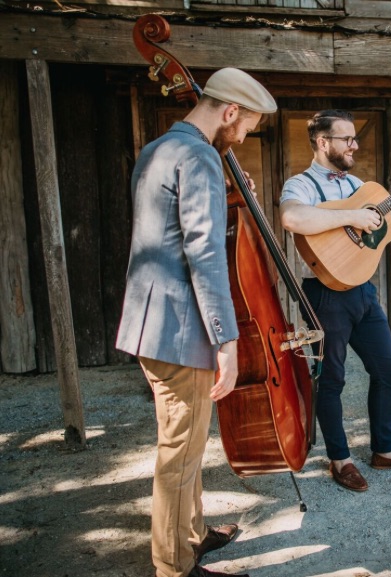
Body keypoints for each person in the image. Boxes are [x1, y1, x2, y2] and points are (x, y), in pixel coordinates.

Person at [116, 68, 277, 577]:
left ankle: (192, 534)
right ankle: (174, 567)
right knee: (178, 458)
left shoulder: (159, 149)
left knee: (183, 445)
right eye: (247, 125)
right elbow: (204, 256)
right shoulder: (202, 155)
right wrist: (227, 342)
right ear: (229, 112)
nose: (244, 136)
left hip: (150, 321)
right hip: (180, 331)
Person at [279, 109, 391, 492]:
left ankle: (384, 450)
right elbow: (293, 219)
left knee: (387, 368)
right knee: (331, 378)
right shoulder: (301, 184)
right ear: (323, 143)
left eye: (354, 138)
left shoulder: (356, 183)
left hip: (362, 290)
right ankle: (341, 459)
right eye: (346, 138)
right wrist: (352, 215)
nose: (354, 145)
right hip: (323, 294)